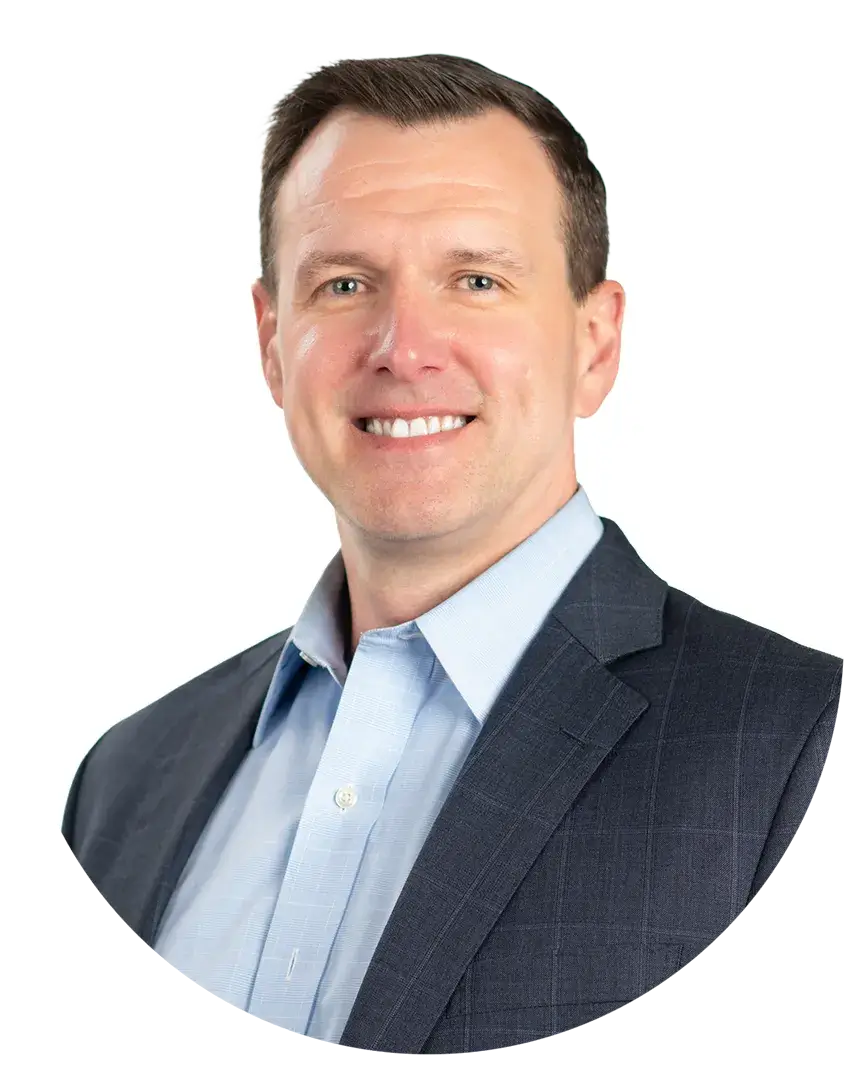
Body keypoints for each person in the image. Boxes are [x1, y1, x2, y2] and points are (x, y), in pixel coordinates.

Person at [60, 51, 844, 1056]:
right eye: (344, 284)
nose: (403, 345)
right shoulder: (123, 780)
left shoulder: (801, 752)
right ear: (271, 342)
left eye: (476, 279)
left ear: (593, 345)